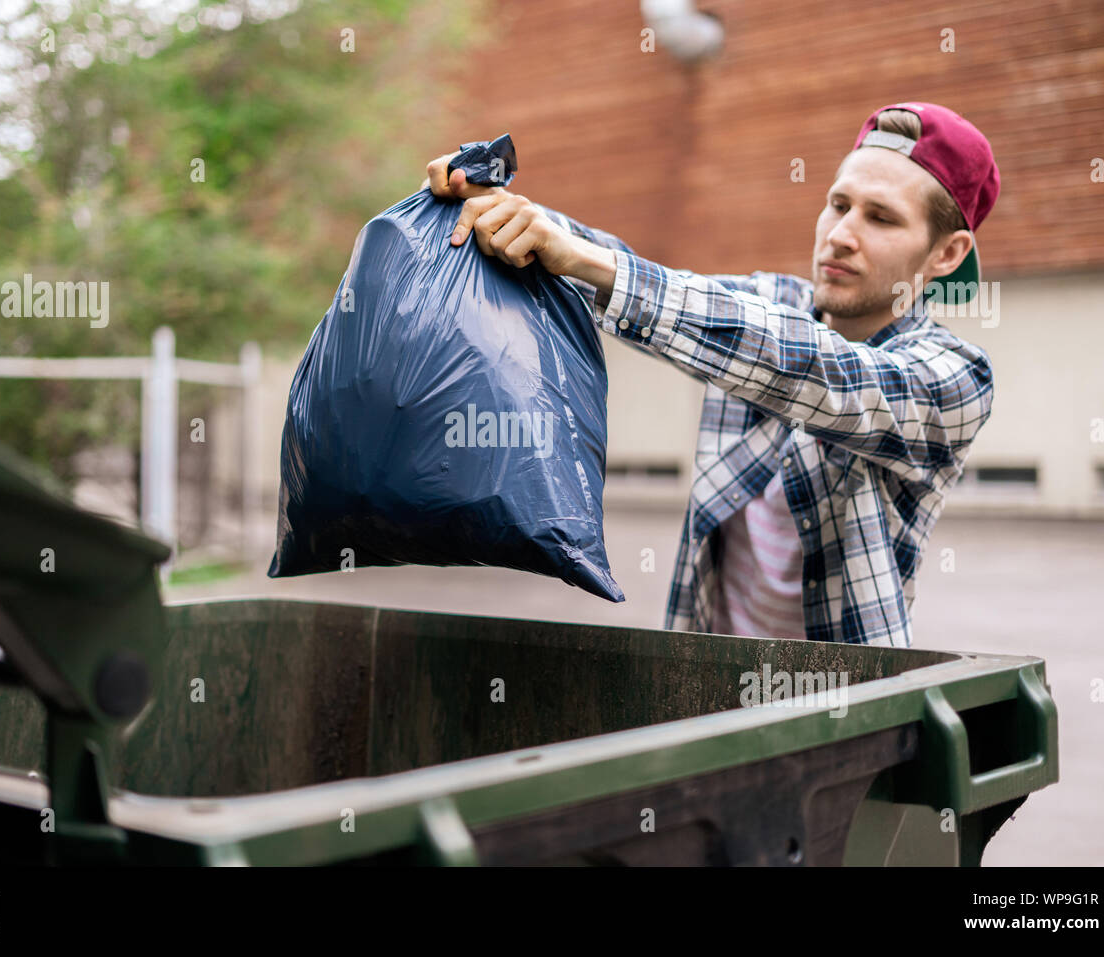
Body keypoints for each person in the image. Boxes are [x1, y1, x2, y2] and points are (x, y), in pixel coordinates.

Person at [422, 102, 1000, 647]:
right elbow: (668, 290)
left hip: (848, 721)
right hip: (712, 699)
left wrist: (588, 260)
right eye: (839, 204)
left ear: (946, 255)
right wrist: (508, 209)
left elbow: (807, 368)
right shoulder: (774, 303)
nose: (842, 234)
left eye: (881, 218)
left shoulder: (954, 379)